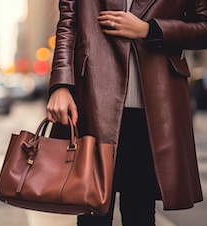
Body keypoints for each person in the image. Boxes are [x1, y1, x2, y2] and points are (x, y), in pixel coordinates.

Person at [46, 0, 206, 225]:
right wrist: (61, 84)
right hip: (94, 102)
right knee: (92, 212)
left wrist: (150, 29)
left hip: (154, 110)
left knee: (139, 212)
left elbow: (203, 27)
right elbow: (68, 24)